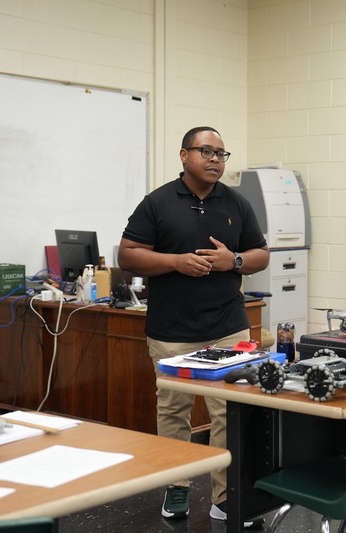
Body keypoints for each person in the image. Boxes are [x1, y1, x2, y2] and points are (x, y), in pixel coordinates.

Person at [117, 126, 269, 527]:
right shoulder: (157, 202)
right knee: (173, 410)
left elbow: (261, 254)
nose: (215, 159)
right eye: (206, 151)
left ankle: (227, 495)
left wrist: (234, 261)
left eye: (221, 153)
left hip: (228, 326)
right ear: (184, 155)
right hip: (173, 328)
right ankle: (177, 485)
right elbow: (128, 256)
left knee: (230, 412)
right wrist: (176, 262)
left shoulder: (237, 203)